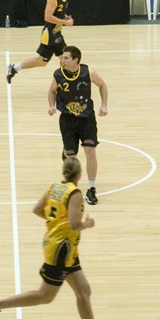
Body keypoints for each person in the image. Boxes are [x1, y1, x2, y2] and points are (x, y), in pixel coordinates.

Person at [0, 155, 120, 319]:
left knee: (83, 291)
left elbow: (37, 209)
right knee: (45, 296)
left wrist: (56, 222)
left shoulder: (54, 187)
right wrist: (87, 224)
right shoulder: (74, 194)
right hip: (61, 250)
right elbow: (74, 224)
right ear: (79, 173)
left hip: (62, 246)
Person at [47, 45, 108, 206]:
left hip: (87, 119)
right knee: (71, 156)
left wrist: (104, 105)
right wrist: (52, 105)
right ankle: (70, 185)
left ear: (75, 60)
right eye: (63, 57)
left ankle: (91, 188)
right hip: (67, 120)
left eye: (66, 58)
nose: (62, 60)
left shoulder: (88, 72)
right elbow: (51, 91)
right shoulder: (58, 74)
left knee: (90, 151)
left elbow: (102, 85)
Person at [5, 0, 73, 81]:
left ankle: (62, 80)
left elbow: (59, 12)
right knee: (41, 61)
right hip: (49, 34)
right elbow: (47, 17)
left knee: (64, 56)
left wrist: (65, 17)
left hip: (57, 33)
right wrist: (64, 22)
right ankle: (14, 68)